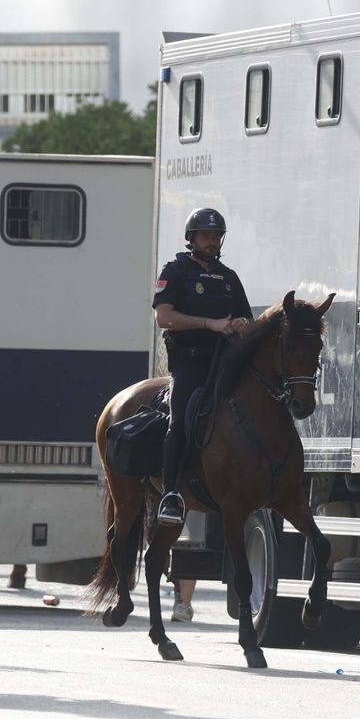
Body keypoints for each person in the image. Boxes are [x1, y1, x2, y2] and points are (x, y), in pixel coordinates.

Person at [152, 207, 253, 526]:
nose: (213, 241)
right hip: (190, 362)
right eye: (207, 236)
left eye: (217, 236)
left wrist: (240, 324)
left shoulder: (229, 278)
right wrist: (209, 323)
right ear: (192, 238)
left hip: (225, 362)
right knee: (180, 420)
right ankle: (170, 493)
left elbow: (248, 319)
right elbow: (163, 317)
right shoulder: (176, 270)